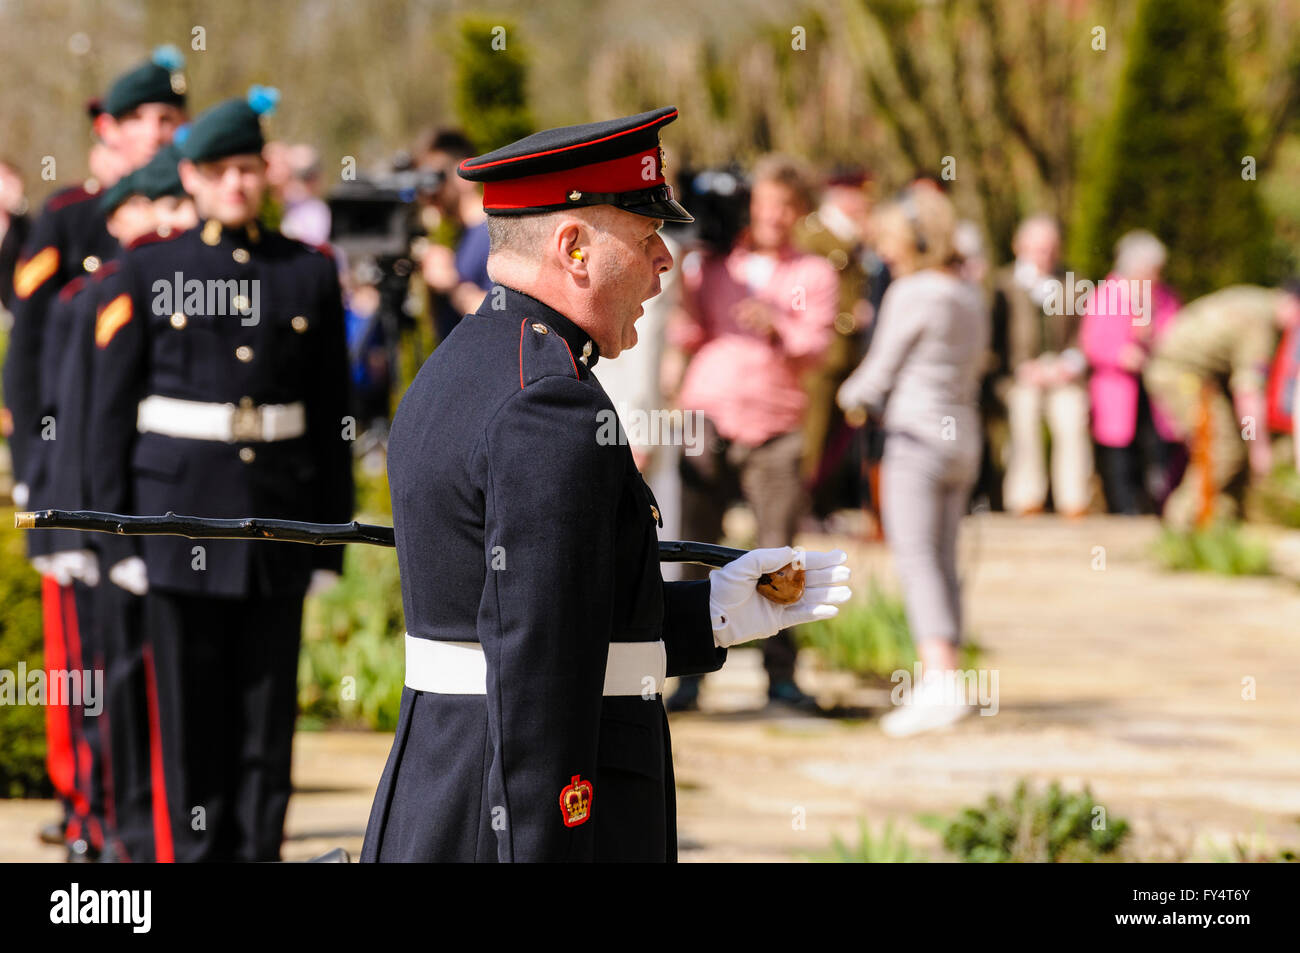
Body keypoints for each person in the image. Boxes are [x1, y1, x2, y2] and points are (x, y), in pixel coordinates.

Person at [360, 107, 850, 862]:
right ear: (574, 248)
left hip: (455, 779)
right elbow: (538, 670)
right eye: (645, 233)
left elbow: (560, 611)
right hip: (518, 810)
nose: (667, 260)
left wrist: (717, 611)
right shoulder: (548, 402)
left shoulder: (480, 357)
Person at [88, 89, 355, 862]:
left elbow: (332, 414)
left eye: (247, 168)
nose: (235, 184)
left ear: (264, 176)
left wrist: (329, 541)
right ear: (192, 179)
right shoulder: (148, 270)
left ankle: (257, 853)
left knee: (266, 727)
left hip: (275, 526)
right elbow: (111, 417)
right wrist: (118, 539)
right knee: (189, 721)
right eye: (218, 171)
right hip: (176, 524)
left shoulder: (307, 273)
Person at [3, 47, 188, 861]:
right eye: (151, 120)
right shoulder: (69, 218)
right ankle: (87, 809)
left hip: (153, 482)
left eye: (173, 121)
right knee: (83, 662)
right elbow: (30, 358)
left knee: (147, 660)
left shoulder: (183, 219)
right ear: (108, 127)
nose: (164, 133)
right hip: (68, 471)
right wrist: (38, 470)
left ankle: (141, 811)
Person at [665, 155, 839, 713]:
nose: (774, 215)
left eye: (786, 206)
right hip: (707, 415)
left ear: (800, 212)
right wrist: (686, 278)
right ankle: (688, 674)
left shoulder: (814, 274)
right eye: (764, 203)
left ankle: (781, 677)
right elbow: (687, 332)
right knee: (694, 545)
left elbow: (818, 348)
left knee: (780, 557)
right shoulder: (711, 265)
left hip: (776, 425)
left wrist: (779, 327)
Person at [838, 186, 989, 737]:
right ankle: (947, 679)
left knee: (917, 559)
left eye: (893, 242)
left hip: (915, 438)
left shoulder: (912, 291)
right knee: (946, 560)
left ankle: (939, 680)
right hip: (962, 439)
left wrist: (846, 396)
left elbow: (878, 372)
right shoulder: (968, 291)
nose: (886, 254)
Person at [1144, 282, 1300, 529]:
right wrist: (1258, 449)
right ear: (1293, 304)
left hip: (1191, 375)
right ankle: (1181, 523)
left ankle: (1222, 523)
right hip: (1181, 375)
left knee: (1228, 447)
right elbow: (1248, 393)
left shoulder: (1256, 299)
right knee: (1221, 446)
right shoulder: (1260, 324)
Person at [993, 215, 1093, 517]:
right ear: (1018, 246)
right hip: (1019, 376)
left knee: (1073, 417)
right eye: (1037, 248)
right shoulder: (1004, 285)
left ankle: (1074, 500)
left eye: (1050, 248)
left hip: (1062, 373)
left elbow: (1083, 336)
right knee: (1023, 416)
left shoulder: (1072, 283)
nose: (1044, 254)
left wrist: (1068, 364)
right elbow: (995, 341)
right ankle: (1026, 498)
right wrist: (1019, 369)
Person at [1078, 230, 1182, 515]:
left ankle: (1160, 506)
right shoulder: (1108, 294)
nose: (1155, 277)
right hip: (1118, 387)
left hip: (1156, 389)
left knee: (1160, 448)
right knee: (1120, 453)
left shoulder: (1164, 297)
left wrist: (1152, 340)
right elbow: (1092, 341)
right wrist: (1121, 354)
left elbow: (1179, 335)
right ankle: (1123, 508)